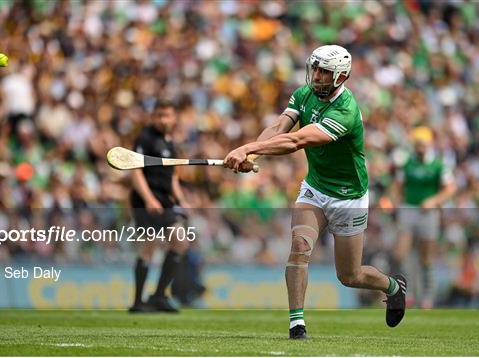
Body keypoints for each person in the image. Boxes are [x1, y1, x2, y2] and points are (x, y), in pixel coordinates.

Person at [223, 45, 407, 339]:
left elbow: (297, 141)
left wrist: (247, 148)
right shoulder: (303, 94)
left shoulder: (345, 111)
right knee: (300, 246)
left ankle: (393, 287)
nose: (317, 76)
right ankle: (297, 325)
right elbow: (278, 128)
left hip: (349, 197)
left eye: (325, 72)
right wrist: (253, 157)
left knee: (350, 276)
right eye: (316, 69)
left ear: (341, 76)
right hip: (315, 189)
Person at [128, 99, 189, 313]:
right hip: (147, 199)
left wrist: (181, 200)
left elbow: (172, 177)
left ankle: (159, 295)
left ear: (174, 118)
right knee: (149, 247)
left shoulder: (170, 142)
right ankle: (137, 302)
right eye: (160, 115)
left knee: (180, 242)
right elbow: (135, 172)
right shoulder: (145, 138)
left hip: (165, 200)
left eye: (168, 115)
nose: (164, 120)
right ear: (153, 116)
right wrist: (148, 199)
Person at [390, 126, 456, 308]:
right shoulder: (408, 163)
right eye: (417, 144)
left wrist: (434, 201)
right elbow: (398, 184)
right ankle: (407, 293)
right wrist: (395, 203)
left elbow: (450, 188)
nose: (419, 148)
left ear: (428, 144)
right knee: (401, 253)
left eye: (422, 144)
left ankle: (427, 297)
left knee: (426, 257)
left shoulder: (438, 164)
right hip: (408, 209)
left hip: (428, 213)